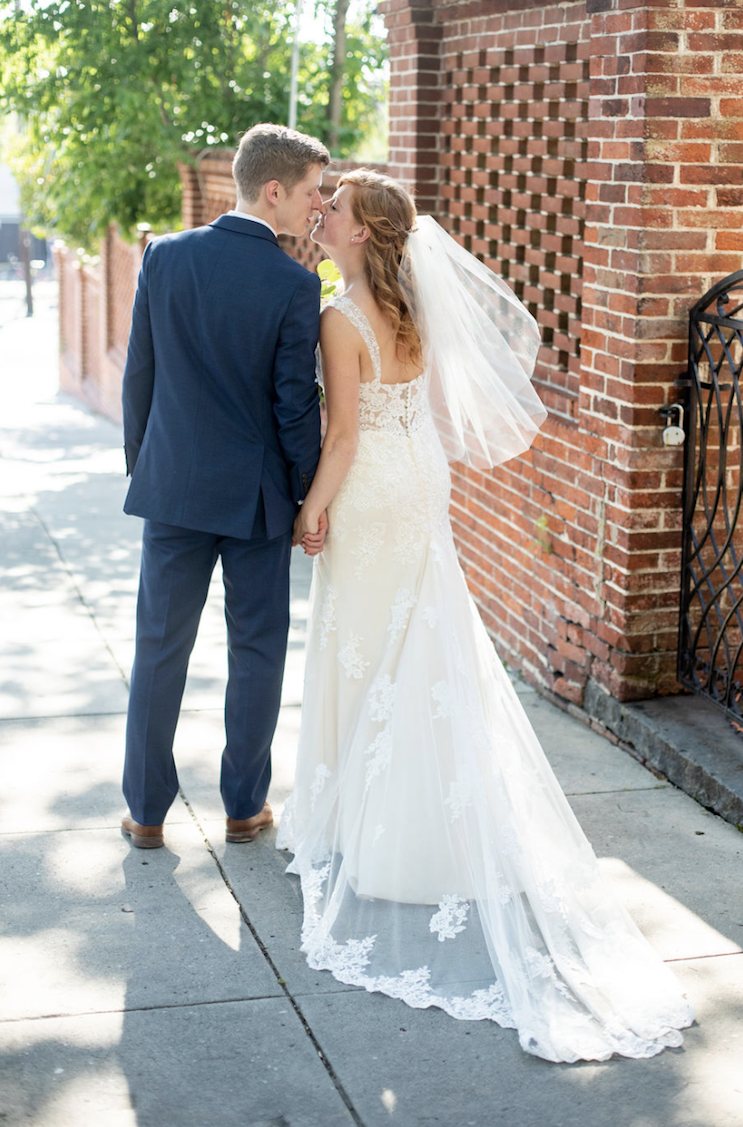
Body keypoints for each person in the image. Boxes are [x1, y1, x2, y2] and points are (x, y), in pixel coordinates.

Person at [278, 169, 694, 1064]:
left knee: (366, 651)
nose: (324, 218)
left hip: (371, 488)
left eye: (335, 211)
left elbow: (343, 436)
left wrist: (311, 510)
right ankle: (411, 830)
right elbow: (408, 412)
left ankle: (373, 839)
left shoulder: (337, 319)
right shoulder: (412, 308)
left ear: (359, 234)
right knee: (418, 643)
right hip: (421, 478)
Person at [120, 123, 329, 850]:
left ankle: (145, 812)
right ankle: (244, 806)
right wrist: (311, 499)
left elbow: (137, 374)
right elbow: (295, 407)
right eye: (310, 193)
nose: (317, 207)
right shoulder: (294, 284)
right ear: (273, 190)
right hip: (258, 501)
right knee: (257, 651)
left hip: (172, 488)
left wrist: (145, 467)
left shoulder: (165, 258)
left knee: (158, 648)